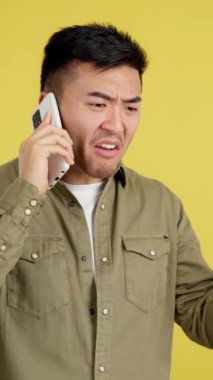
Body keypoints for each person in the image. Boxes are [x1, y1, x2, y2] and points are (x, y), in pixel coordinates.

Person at [0, 23, 212, 380]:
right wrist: (27, 194)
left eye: (130, 108)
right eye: (98, 104)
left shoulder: (161, 205)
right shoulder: (6, 196)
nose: (116, 125)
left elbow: (200, 315)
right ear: (47, 107)